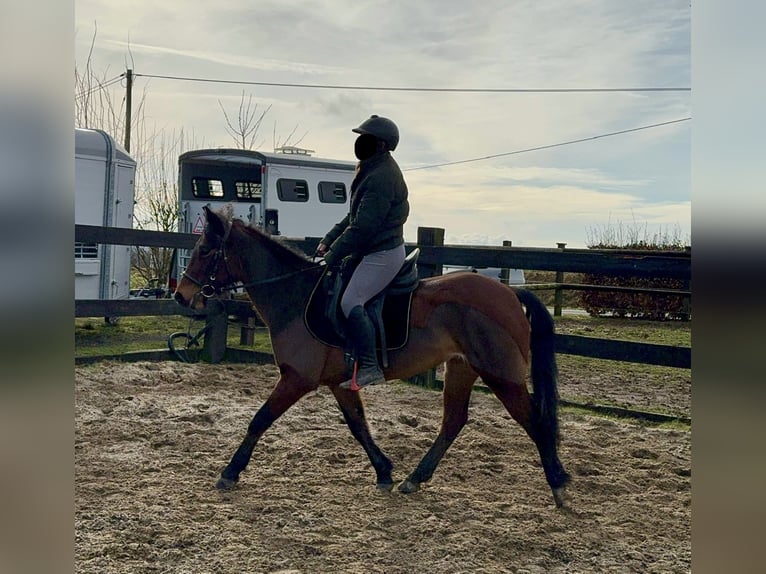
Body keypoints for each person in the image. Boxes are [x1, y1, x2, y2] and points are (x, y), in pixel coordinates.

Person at [316, 115, 410, 390]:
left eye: (366, 138)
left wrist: (332, 255)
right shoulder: (370, 168)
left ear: (380, 145)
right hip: (371, 249)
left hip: (383, 252)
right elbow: (353, 216)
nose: (360, 143)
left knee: (351, 301)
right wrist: (329, 239)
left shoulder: (382, 176)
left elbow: (364, 227)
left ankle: (370, 367)